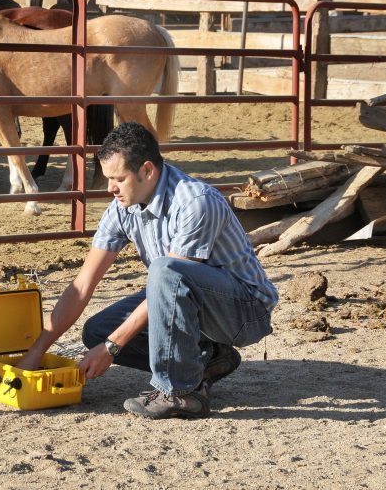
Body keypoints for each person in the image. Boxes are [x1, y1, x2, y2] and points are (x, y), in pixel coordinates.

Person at [18, 122, 276, 419]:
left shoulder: (195, 202)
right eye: (107, 179)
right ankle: (207, 358)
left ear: (148, 171)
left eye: (118, 179)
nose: (110, 188)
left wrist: (112, 348)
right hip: (192, 299)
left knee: (165, 271)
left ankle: (182, 393)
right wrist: (36, 352)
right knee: (97, 331)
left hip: (245, 312)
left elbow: (174, 276)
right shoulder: (121, 206)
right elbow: (83, 284)